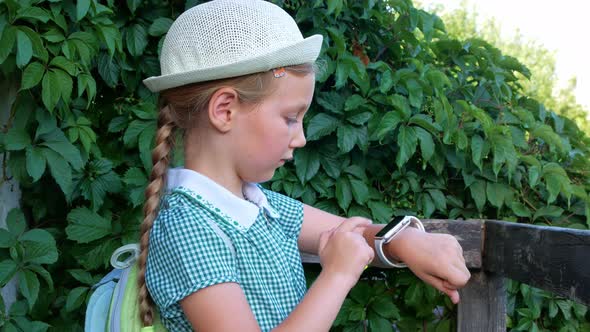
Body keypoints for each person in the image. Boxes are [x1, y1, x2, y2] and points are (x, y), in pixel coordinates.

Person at [138, 0, 471, 331]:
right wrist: (338, 276)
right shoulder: (187, 229)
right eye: (290, 118)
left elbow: (352, 235)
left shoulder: (260, 206)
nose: (301, 139)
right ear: (225, 110)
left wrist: (409, 241)